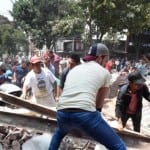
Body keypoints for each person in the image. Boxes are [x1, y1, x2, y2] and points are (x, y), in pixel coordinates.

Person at [49, 43, 126, 150]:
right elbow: (98, 106)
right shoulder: (105, 73)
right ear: (100, 58)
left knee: (59, 134)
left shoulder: (74, 69)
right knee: (119, 146)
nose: (106, 63)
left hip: (62, 113)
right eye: (106, 60)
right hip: (85, 116)